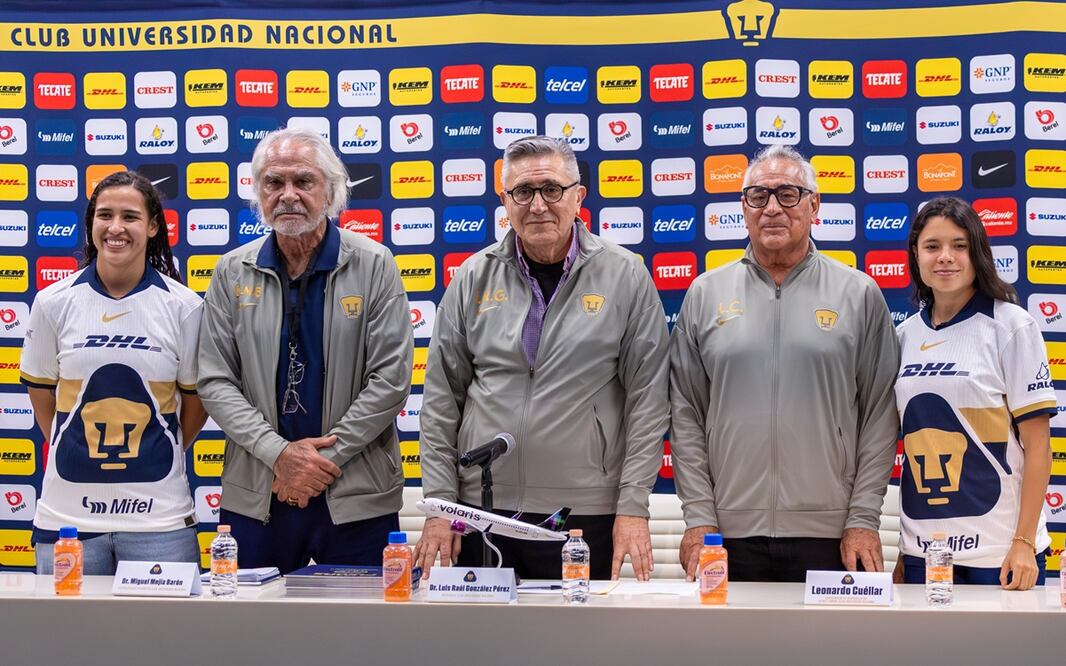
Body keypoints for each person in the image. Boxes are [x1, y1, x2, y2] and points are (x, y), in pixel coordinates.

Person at [415, 136, 669, 581]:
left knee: (576, 649)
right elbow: (440, 401)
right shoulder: (472, 277)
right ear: (504, 200)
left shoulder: (626, 276)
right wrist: (440, 504)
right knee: (480, 648)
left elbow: (648, 403)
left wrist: (632, 507)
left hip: (583, 513)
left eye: (551, 189)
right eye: (522, 193)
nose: (537, 206)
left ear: (578, 196)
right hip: (480, 511)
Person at [670, 144, 901, 582]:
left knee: (824, 653)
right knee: (726, 653)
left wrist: (863, 518)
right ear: (743, 207)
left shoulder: (859, 294)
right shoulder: (705, 294)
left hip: (831, 534)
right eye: (758, 196)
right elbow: (685, 416)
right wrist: (699, 517)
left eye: (788, 194)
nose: (772, 208)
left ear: (815, 205)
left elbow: (879, 418)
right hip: (726, 535)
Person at [197, 127, 413, 573]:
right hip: (261, 490)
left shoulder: (374, 264)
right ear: (258, 193)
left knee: (362, 632)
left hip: (355, 493)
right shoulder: (231, 271)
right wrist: (279, 455)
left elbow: (391, 380)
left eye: (303, 181)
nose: (288, 195)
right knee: (254, 637)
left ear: (331, 191)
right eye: (274, 183)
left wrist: (317, 464)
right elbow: (215, 379)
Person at [20, 170, 205, 574]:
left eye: (130, 216)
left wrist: (165, 446)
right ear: (91, 224)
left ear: (153, 226)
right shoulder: (52, 302)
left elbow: (195, 403)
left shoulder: (185, 307)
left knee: (165, 639)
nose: (115, 228)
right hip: (67, 521)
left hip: (159, 521)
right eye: (104, 215)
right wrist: (72, 444)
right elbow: (41, 396)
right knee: (67, 639)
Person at [894, 197, 1054, 590]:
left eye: (959, 245)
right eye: (932, 246)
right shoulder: (902, 336)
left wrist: (1022, 542)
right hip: (923, 554)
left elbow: (1038, 445)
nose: (945, 257)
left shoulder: (1011, 326)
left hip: (999, 551)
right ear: (916, 256)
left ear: (977, 252)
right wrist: (903, 549)